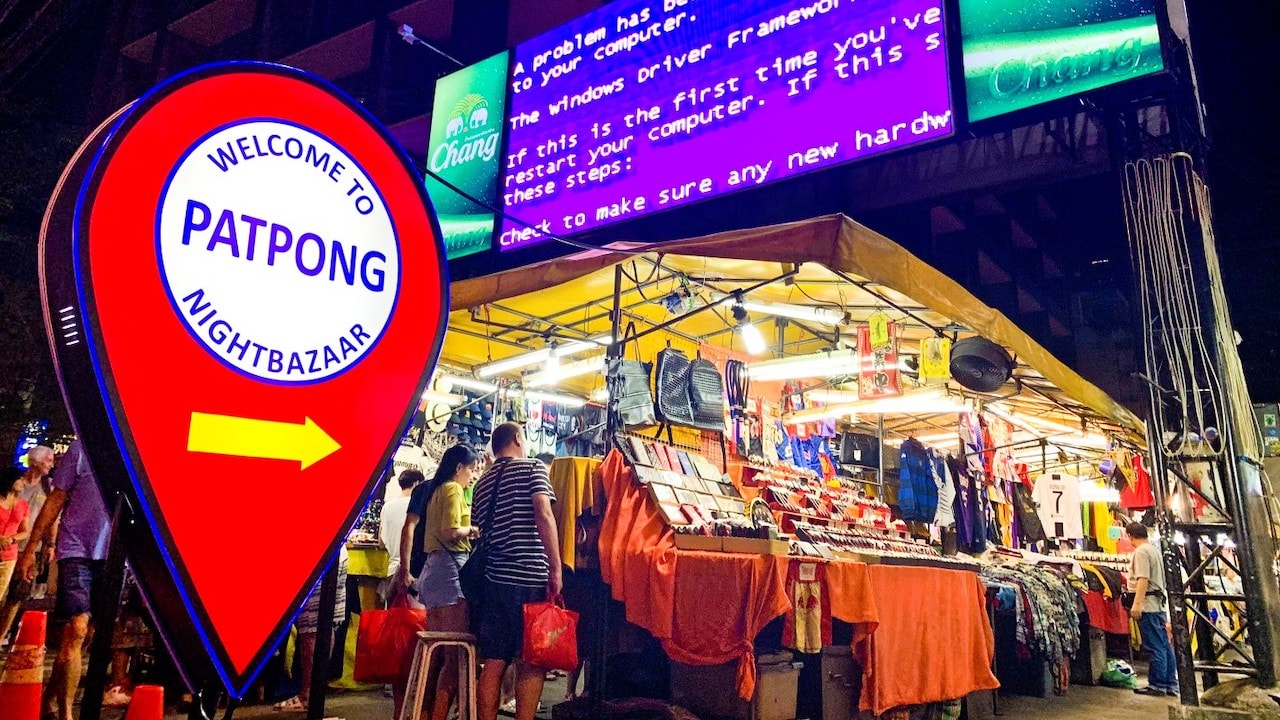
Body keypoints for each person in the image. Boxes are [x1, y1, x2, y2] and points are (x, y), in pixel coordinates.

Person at [472, 422, 562, 720]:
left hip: (494, 580)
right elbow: (543, 513)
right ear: (518, 439)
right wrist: (556, 567)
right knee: (530, 660)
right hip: (529, 577)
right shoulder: (533, 468)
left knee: (494, 661)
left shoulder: (482, 483)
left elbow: (479, 531)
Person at [18, 440, 112, 720]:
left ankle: (49, 699)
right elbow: (56, 499)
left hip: (114, 552)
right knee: (77, 628)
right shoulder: (82, 447)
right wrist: (32, 548)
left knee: (88, 634)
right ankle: (67, 714)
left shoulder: (139, 448)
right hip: (75, 548)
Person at [397, 444, 481, 720]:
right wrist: (473, 530)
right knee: (455, 655)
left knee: (435, 654)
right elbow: (450, 531)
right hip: (449, 572)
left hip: (432, 571)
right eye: (471, 469)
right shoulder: (453, 489)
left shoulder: (432, 490)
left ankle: (422, 712)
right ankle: (438, 714)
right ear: (458, 467)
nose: (473, 475)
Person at [1, 446, 56, 645]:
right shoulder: (14, 482)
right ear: (34, 461)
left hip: (31, 549)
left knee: (18, 593)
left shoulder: (50, 487)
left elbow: (53, 518)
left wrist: (50, 544)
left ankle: (2, 636)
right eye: (48, 460)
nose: (52, 465)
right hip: (6, 547)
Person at [1127, 522, 1179, 697]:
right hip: (1157, 604)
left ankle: (1157, 684)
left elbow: (1143, 579)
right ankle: (1170, 683)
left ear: (1130, 536)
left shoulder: (1141, 552)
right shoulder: (1154, 550)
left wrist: (1137, 604)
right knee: (1164, 645)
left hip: (1148, 605)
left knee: (1155, 646)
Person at [381, 468, 424, 592]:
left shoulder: (387, 507)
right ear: (416, 484)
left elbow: (381, 542)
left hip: (391, 569)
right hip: (411, 572)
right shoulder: (417, 506)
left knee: (392, 604)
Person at [0, 468, 32, 613]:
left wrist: (11, 539)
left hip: (9, 555)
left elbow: (25, 531)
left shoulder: (23, 505)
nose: (23, 483)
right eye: (20, 479)